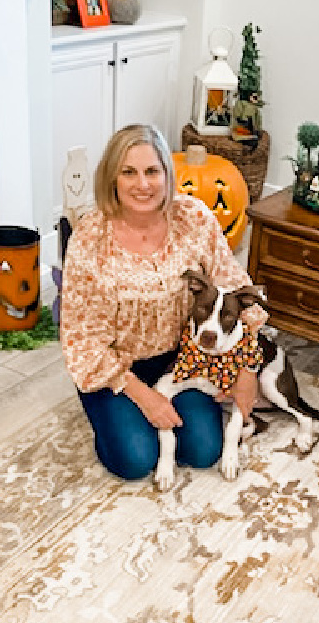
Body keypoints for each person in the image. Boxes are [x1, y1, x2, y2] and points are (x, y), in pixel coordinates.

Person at [61, 124, 268, 481]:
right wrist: (144, 397)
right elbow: (83, 338)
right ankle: (113, 416)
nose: (143, 184)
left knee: (203, 451)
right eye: (129, 172)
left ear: (167, 174)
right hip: (114, 369)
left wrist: (247, 371)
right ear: (112, 177)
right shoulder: (90, 237)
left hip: (182, 359)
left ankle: (154, 415)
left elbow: (236, 290)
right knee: (136, 459)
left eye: (152, 171)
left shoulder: (194, 219)